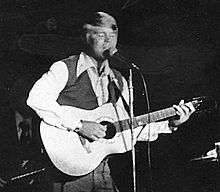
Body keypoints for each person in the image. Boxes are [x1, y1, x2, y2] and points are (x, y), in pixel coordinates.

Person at [26, 11, 195, 192]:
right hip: (69, 176)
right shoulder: (65, 68)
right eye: (100, 35)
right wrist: (79, 125)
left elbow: (128, 130)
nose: (108, 41)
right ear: (85, 38)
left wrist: (169, 124)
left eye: (112, 35)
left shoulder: (119, 80)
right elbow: (36, 99)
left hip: (104, 170)